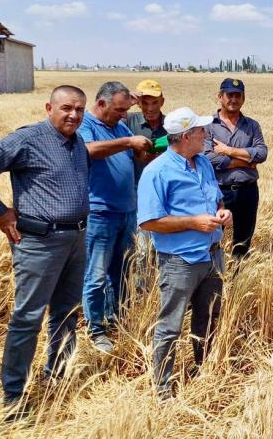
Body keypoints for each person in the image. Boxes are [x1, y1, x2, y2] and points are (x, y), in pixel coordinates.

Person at [0, 86, 89, 419]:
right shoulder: (28, 139)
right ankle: (13, 397)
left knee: (67, 313)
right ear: (49, 107)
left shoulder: (77, 144)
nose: (73, 115)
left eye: (79, 109)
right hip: (39, 242)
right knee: (28, 319)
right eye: (66, 108)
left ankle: (57, 378)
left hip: (76, 239)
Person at [137, 107, 231, 400]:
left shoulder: (203, 163)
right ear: (186, 136)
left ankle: (204, 372)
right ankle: (163, 387)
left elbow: (217, 199)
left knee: (209, 318)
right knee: (170, 326)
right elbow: (149, 222)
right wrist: (193, 222)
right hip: (180, 261)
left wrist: (222, 212)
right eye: (201, 131)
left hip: (212, 256)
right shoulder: (157, 172)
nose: (206, 134)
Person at [79, 81, 151, 353]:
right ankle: (96, 328)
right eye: (119, 110)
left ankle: (116, 319)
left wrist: (143, 149)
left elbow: (137, 157)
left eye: (125, 109)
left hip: (126, 211)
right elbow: (88, 151)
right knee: (96, 274)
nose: (124, 115)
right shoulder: (86, 124)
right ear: (101, 104)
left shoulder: (120, 127)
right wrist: (129, 142)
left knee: (121, 272)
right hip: (100, 212)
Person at [204, 78, 268, 259]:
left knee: (243, 242)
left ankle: (240, 276)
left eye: (238, 95)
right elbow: (208, 158)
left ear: (243, 98)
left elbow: (262, 153)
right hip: (219, 191)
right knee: (213, 239)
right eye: (229, 95)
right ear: (220, 97)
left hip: (248, 191)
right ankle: (214, 274)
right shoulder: (208, 125)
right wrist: (245, 161)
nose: (234, 99)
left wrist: (228, 151)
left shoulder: (252, 125)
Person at [124, 79, 167, 280]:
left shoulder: (171, 126)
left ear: (162, 102)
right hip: (136, 193)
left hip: (164, 193)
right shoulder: (127, 121)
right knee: (141, 248)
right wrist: (127, 102)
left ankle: (160, 284)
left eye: (154, 102)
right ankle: (142, 288)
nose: (150, 108)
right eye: (144, 102)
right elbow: (98, 121)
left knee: (162, 245)